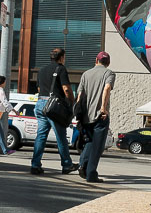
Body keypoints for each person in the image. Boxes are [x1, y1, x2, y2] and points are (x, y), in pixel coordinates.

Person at [31, 47, 78, 175]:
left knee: (41, 136)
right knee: (61, 136)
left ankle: (35, 165)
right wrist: (71, 103)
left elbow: (40, 88)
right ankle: (67, 164)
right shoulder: (61, 68)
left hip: (40, 103)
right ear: (61, 57)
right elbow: (66, 89)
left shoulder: (42, 70)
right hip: (53, 106)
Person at [76, 51, 116, 183]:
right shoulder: (109, 73)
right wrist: (103, 108)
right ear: (108, 62)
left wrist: (78, 113)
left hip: (86, 115)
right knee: (98, 146)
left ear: (96, 60)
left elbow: (80, 95)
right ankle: (91, 174)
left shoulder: (86, 74)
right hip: (100, 115)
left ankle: (82, 163)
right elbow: (107, 88)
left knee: (89, 141)